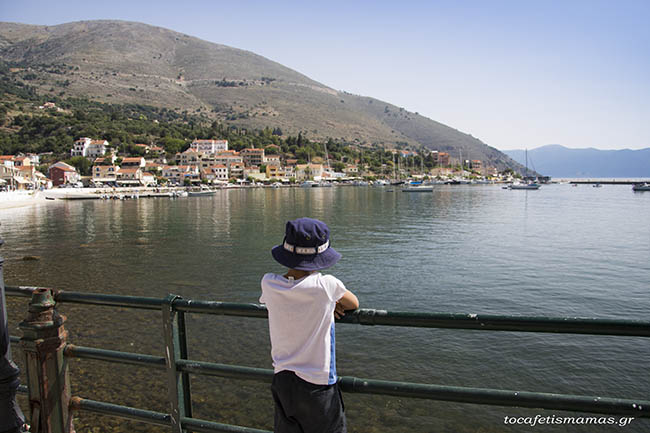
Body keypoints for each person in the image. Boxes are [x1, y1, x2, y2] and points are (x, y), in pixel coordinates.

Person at [260, 217, 359, 433]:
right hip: (318, 383)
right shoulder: (326, 286)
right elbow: (353, 303)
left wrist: (325, 302)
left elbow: (291, 294)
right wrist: (328, 303)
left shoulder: (268, 283)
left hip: (282, 378)